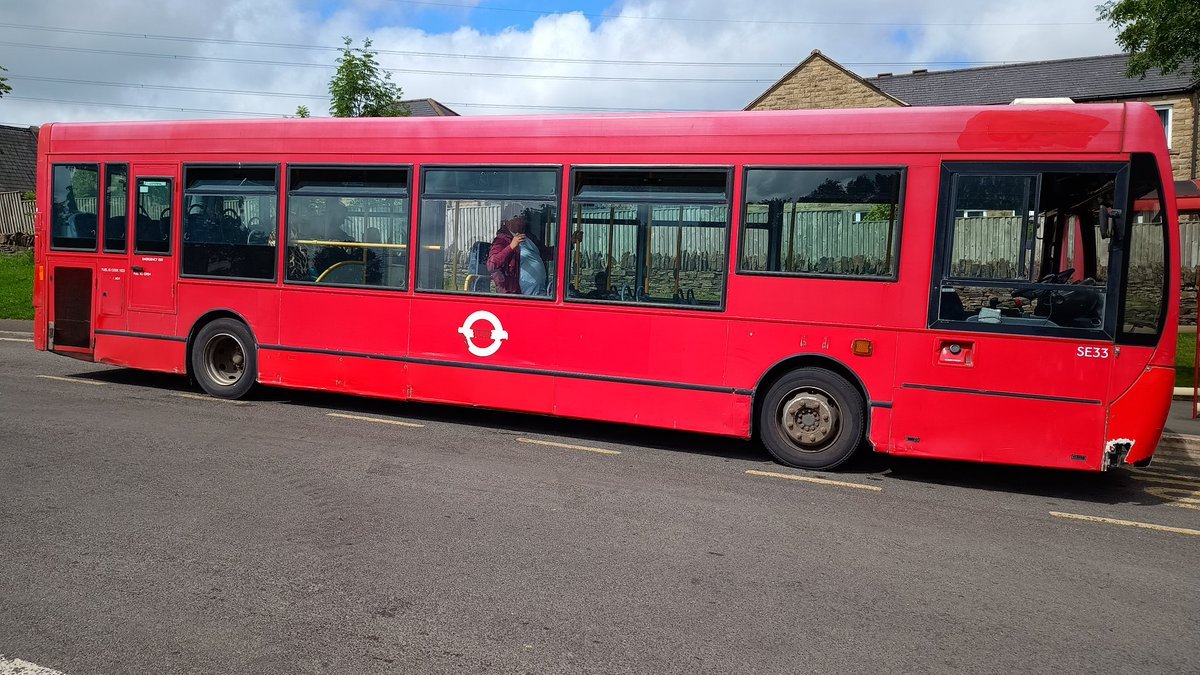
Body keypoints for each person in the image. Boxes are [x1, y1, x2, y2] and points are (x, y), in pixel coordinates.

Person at [487, 203, 554, 296]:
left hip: (539, 292)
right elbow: (492, 265)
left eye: (522, 217)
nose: (521, 221)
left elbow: (547, 253)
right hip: (518, 296)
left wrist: (569, 243)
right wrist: (511, 247)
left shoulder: (529, 237)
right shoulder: (502, 240)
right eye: (517, 217)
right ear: (507, 221)